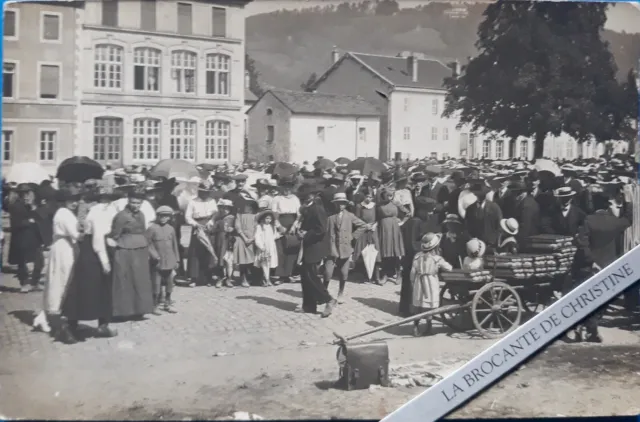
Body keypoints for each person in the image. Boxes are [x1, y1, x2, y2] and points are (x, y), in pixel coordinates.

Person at [571, 190, 632, 343]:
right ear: (607, 206)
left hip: (588, 266)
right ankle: (590, 329)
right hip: (608, 266)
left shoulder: (588, 220)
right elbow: (629, 219)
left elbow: (582, 244)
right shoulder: (614, 222)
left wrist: (591, 261)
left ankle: (586, 327)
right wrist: (627, 201)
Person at [60, 184, 118, 339]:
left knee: (94, 288)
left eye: (108, 199)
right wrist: (104, 260)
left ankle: (99, 325)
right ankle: (71, 326)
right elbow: (98, 238)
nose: (106, 202)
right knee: (89, 288)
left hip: (94, 249)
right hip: (94, 252)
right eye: (103, 199)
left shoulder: (106, 210)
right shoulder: (98, 212)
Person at [40, 187, 82, 344]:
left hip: (64, 246)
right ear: (64, 201)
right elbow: (77, 235)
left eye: (76, 200)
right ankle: (60, 322)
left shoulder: (65, 213)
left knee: (61, 279)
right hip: (64, 249)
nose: (75, 203)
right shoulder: (64, 214)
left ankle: (60, 317)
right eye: (72, 200)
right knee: (63, 279)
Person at [109, 188, 155, 320]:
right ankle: (123, 311)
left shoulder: (141, 215)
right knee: (125, 280)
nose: (136, 205)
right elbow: (115, 235)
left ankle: (140, 309)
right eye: (134, 202)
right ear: (128, 201)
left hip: (140, 249)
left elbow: (144, 232)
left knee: (140, 280)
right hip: (125, 250)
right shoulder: (121, 216)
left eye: (138, 203)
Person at [297, 183, 336, 317]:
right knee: (305, 275)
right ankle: (308, 306)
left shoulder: (317, 208)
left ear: (313, 195)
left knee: (311, 275)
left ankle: (328, 299)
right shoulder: (307, 208)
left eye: (308, 195)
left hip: (316, 245)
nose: (306, 197)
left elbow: (321, 229)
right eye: (304, 195)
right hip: (308, 245)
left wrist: (306, 234)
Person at [399, 197, 440, 316]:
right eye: (429, 211)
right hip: (412, 258)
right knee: (411, 283)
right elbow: (412, 243)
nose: (431, 214)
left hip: (413, 257)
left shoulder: (417, 221)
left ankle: (408, 308)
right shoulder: (415, 222)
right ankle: (408, 309)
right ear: (422, 211)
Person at [325, 192, 368, 301]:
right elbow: (324, 231)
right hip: (332, 248)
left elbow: (363, 225)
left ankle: (340, 293)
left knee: (344, 274)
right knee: (327, 273)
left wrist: (352, 236)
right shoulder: (329, 216)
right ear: (334, 204)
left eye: (343, 203)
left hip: (345, 248)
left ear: (346, 204)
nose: (340, 205)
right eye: (338, 203)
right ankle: (323, 293)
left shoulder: (350, 216)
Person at [409, 232, 453, 337]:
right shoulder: (437, 258)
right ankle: (428, 328)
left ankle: (415, 327)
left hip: (419, 283)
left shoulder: (417, 256)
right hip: (431, 282)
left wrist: (413, 282)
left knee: (418, 306)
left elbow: (412, 272)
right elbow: (449, 268)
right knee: (430, 307)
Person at [8, 183, 45, 293]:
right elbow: (15, 223)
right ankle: (24, 283)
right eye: (23, 194)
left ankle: (35, 282)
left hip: (34, 238)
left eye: (28, 193)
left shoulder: (33, 205)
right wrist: (29, 222)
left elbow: (40, 218)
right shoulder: (16, 206)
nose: (26, 196)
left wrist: (34, 208)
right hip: (21, 238)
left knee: (39, 261)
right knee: (22, 262)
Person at [147, 206, 180, 314]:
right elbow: (148, 243)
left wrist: (177, 260)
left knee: (170, 282)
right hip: (157, 261)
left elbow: (175, 245)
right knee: (156, 284)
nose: (163, 218)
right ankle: (154, 305)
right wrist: (154, 255)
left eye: (166, 216)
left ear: (169, 217)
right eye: (161, 216)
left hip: (169, 260)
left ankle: (167, 302)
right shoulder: (152, 228)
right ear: (158, 216)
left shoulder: (171, 229)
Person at [185, 182, 219, 287]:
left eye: (207, 192)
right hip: (197, 226)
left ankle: (208, 278)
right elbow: (187, 216)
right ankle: (194, 278)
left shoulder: (212, 201)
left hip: (208, 226)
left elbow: (216, 213)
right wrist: (195, 224)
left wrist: (211, 221)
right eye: (203, 192)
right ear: (199, 191)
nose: (205, 194)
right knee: (195, 252)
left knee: (208, 251)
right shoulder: (192, 202)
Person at [271, 177, 302, 283]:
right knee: (280, 249)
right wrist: (278, 225)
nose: (287, 189)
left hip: (292, 223)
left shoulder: (295, 199)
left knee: (292, 248)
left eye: (289, 187)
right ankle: (280, 275)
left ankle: (289, 273)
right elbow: (274, 213)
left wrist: (295, 225)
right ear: (281, 187)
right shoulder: (277, 199)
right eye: (285, 187)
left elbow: (299, 214)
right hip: (281, 222)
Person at [376, 189, 408, 284]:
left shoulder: (396, 203)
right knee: (385, 253)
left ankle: (398, 274)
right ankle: (385, 275)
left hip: (394, 228)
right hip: (383, 228)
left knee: (395, 252)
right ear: (383, 195)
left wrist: (402, 222)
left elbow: (408, 213)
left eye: (391, 195)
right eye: (387, 195)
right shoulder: (379, 205)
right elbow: (376, 217)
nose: (389, 197)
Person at [352, 187, 381, 283]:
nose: (369, 198)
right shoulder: (359, 206)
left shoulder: (375, 206)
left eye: (371, 197)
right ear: (364, 196)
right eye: (367, 196)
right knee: (363, 252)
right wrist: (365, 225)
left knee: (375, 252)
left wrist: (375, 225)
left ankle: (376, 277)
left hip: (373, 231)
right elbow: (356, 219)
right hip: (363, 230)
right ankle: (364, 276)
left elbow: (378, 218)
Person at [211, 199, 236, 288]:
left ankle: (229, 278)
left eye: (227, 208)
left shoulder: (233, 218)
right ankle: (220, 278)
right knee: (220, 259)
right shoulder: (217, 218)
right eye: (222, 208)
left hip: (229, 240)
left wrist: (233, 229)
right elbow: (213, 229)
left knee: (229, 260)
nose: (225, 210)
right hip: (220, 240)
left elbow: (237, 228)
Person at [234, 197, 258, 287]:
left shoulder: (255, 216)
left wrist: (253, 238)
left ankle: (251, 278)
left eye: (249, 205)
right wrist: (244, 238)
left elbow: (257, 227)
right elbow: (238, 227)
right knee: (242, 260)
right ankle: (243, 279)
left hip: (252, 239)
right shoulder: (239, 215)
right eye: (245, 205)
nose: (246, 207)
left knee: (252, 260)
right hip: (242, 239)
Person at [254, 208, 279, 287]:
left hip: (271, 246)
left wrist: (279, 234)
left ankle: (266, 278)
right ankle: (266, 279)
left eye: (270, 218)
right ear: (263, 218)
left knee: (269, 263)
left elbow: (274, 236)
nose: (269, 220)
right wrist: (261, 246)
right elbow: (257, 237)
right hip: (264, 246)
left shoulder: (272, 227)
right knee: (264, 263)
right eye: (267, 218)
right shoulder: (260, 226)